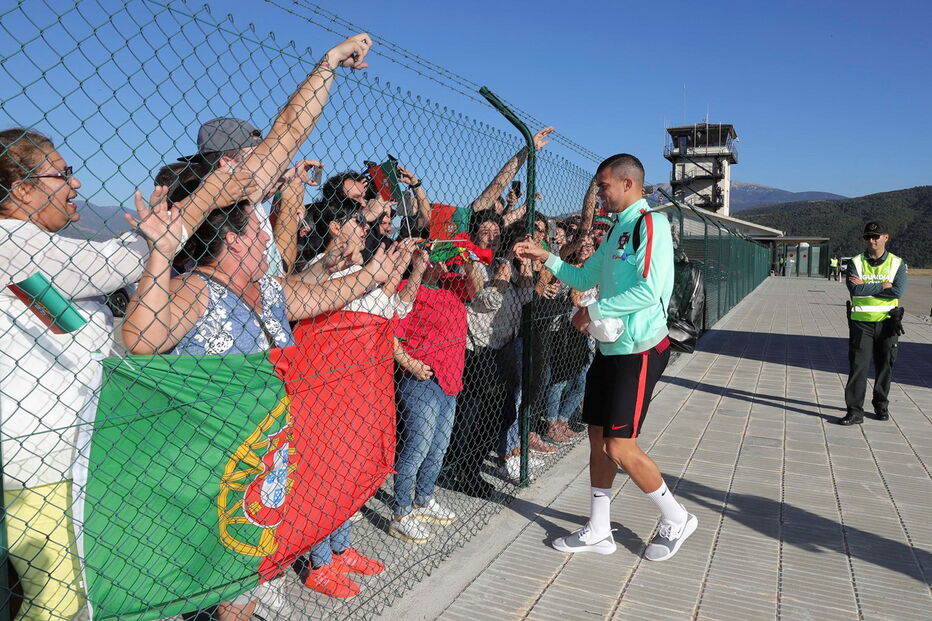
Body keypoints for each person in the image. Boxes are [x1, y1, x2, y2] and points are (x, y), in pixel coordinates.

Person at [0, 128, 246, 620]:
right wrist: (196, 206)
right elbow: (112, 263)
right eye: (62, 173)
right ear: (21, 190)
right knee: (58, 601)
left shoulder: (40, 247)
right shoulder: (9, 241)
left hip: (67, 452)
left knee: (72, 591)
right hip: (38, 461)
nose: (75, 183)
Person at [516, 153, 698, 562]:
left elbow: (650, 290)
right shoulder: (618, 229)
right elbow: (584, 277)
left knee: (619, 447)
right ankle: (599, 530)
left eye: (603, 186)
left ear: (627, 183)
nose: (599, 194)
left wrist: (591, 311)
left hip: (638, 351)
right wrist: (546, 257)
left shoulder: (651, 225)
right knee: (598, 440)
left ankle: (677, 517)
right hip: (610, 349)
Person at [390, 240, 471, 543]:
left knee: (438, 447)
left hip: (451, 379)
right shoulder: (407, 289)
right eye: (436, 258)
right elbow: (390, 327)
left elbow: (478, 289)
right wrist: (409, 363)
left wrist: (469, 258)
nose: (443, 264)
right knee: (417, 448)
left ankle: (423, 500)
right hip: (422, 378)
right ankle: (401, 512)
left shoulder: (452, 287)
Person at [837, 222, 908, 426]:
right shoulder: (856, 262)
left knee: (885, 365)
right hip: (861, 323)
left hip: (888, 322)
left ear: (886, 237)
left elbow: (898, 291)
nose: (871, 240)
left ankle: (881, 405)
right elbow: (855, 291)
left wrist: (867, 286)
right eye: (868, 237)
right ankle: (854, 411)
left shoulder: (897, 263)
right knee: (858, 367)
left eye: (876, 237)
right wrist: (883, 285)